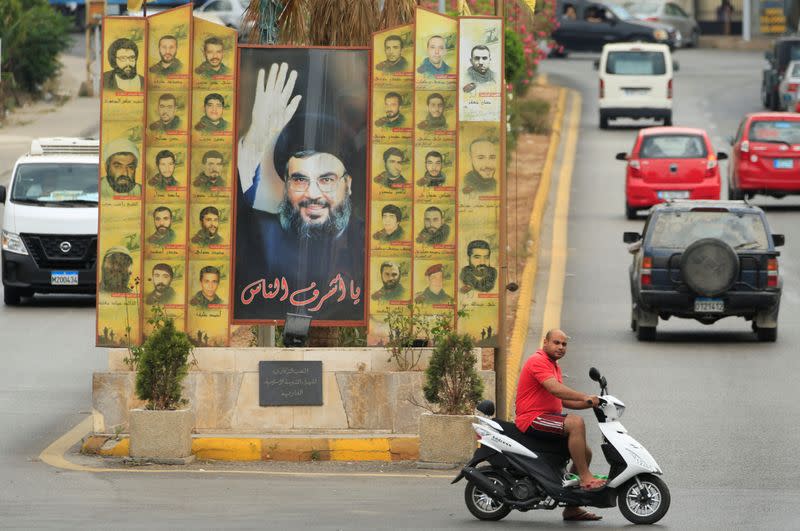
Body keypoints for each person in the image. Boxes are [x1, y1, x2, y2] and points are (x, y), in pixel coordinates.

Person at [235, 62, 365, 320]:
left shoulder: (366, 240)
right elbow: (243, 204)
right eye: (300, 180)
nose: (313, 195)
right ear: (285, 184)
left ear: (347, 184)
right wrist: (253, 144)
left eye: (327, 179)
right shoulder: (263, 230)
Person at [515, 329, 605, 521]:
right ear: (545, 342)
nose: (561, 347)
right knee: (575, 423)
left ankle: (572, 507)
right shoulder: (538, 361)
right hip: (532, 418)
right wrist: (584, 396)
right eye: (556, 343)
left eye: (564, 344)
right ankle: (586, 478)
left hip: (547, 417)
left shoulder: (553, 366)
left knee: (585, 453)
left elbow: (562, 401)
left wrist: (592, 402)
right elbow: (555, 389)